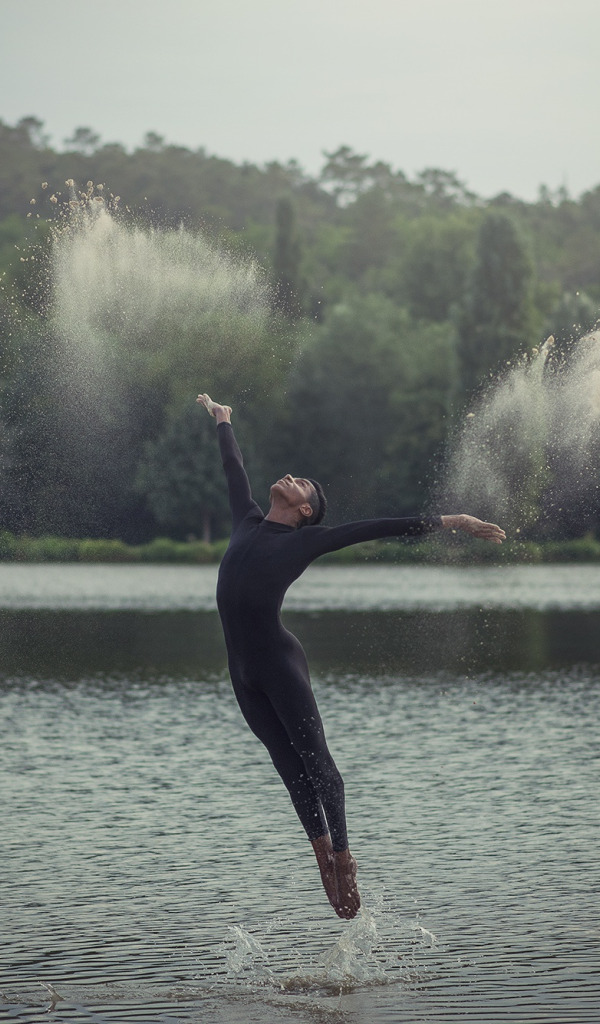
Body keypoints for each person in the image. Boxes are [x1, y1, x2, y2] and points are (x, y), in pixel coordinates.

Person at [196, 393, 506, 919]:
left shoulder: (305, 542)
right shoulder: (245, 519)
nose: (291, 477)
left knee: (320, 768)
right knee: (287, 767)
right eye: (293, 477)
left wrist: (451, 521)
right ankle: (321, 857)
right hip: (243, 673)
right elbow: (233, 468)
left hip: (277, 662)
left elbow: (375, 527)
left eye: (302, 484)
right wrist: (223, 421)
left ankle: (344, 854)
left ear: (306, 511)